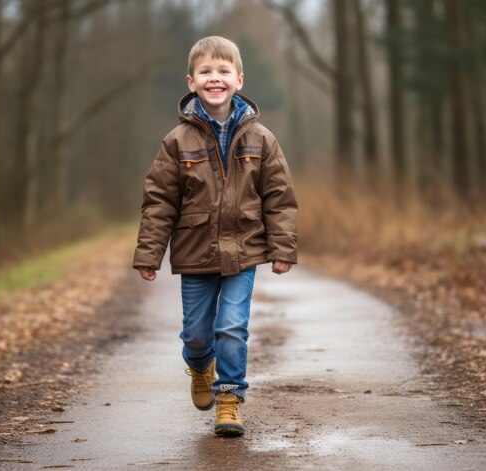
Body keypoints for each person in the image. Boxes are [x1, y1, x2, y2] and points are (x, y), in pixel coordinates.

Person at [133, 36, 298, 437]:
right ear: (191, 81)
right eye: (206, 71)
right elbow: (159, 201)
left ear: (238, 80)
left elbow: (280, 198)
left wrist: (283, 247)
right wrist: (149, 254)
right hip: (195, 252)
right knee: (197, 333)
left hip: (244, 253)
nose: (215, 78)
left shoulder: (262, 139)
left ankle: (229, 399)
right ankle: (198, 364)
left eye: (223, 71)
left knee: (232, 327)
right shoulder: (176, 142)